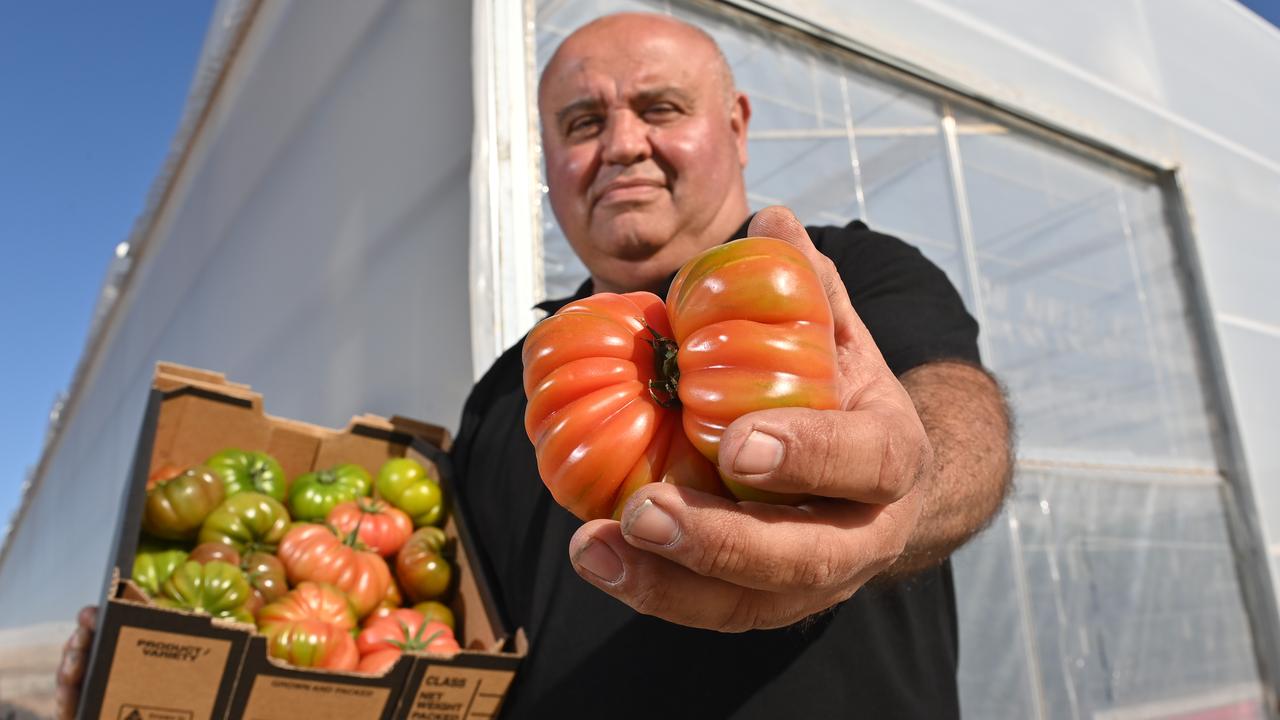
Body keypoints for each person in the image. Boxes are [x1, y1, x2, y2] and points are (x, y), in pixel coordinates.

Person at [58, 12, 1012, 719]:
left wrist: (910, 486)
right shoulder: (510, 384)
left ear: (736, 124)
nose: (622, 145)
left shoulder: (841, 278)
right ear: (550, 155)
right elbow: (437, 614)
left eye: (661, 108)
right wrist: (171, 653)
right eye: (581, 122)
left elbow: (955, 415)